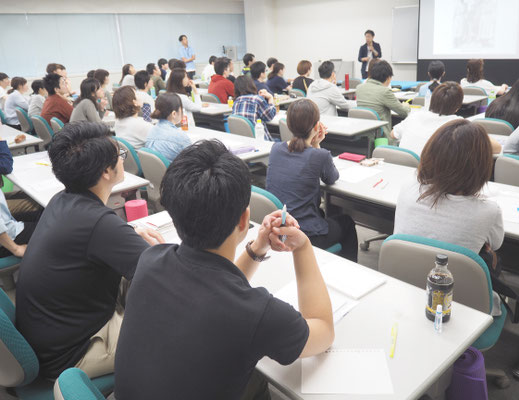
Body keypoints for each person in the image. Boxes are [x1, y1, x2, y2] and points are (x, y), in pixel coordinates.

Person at [114, 139, 335, 400]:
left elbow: (218, 281)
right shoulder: (257, 312)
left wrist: (258, 246)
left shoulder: (150, 260)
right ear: (244, 219)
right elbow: (324, 330)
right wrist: (303, 247)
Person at [15, 122, 164, 380]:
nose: (121, 161)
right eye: (120, 156)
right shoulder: (99, 224)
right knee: (179, 331)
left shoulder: (61, 199)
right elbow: (166, 275)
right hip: (72, 354)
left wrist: (124, 235)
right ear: (106, 170)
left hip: (49, 333)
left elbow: (94, 239)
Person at [394, 119, 503, 292]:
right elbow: (496, 243)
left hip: (404, 286)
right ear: (481, 167)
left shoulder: (408, 187)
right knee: (492, 257)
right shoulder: (488, 211)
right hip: (456, 298)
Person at [266, 99, 358, 261]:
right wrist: (317, 146)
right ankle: (347, 272)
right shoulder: (319, 155)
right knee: (347, 222)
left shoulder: (275, 149)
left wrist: (314, 145)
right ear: (317, 127)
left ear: (288, 125)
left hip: (278, 229)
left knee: (321, 213)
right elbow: (331, 178)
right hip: (303, 233)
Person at [392, 82, 464, 156]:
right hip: (432, 166)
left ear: (432, 100)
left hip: (403, 164)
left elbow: (393, 134)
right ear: (458, 106)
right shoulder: (459, 124)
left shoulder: (415, 115)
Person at [356, 59, 410, 142]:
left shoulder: (359, 88)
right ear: (388, 78)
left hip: (363, 135)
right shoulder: (385, 91)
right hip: (382, 138)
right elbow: (403, 112)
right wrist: (406, 106)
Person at [0, 138, 38, 258]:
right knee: (53, 227)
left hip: (5, 219)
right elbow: (5, 166)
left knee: (28, 196)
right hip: (7, 239)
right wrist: (15, 249)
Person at [145, 93, 191, 162]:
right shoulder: (181, 137)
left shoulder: (151, 131)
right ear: (174, 114)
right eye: (181, 109)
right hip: (174, 172)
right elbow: (194, 161)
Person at [232, 75, 276, 141]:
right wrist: (270, 98)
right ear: (251, 85)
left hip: (244, 140)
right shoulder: (257, 99)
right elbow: (270, 116)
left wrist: (261, 99)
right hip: (260, 140)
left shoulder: (236, 101)